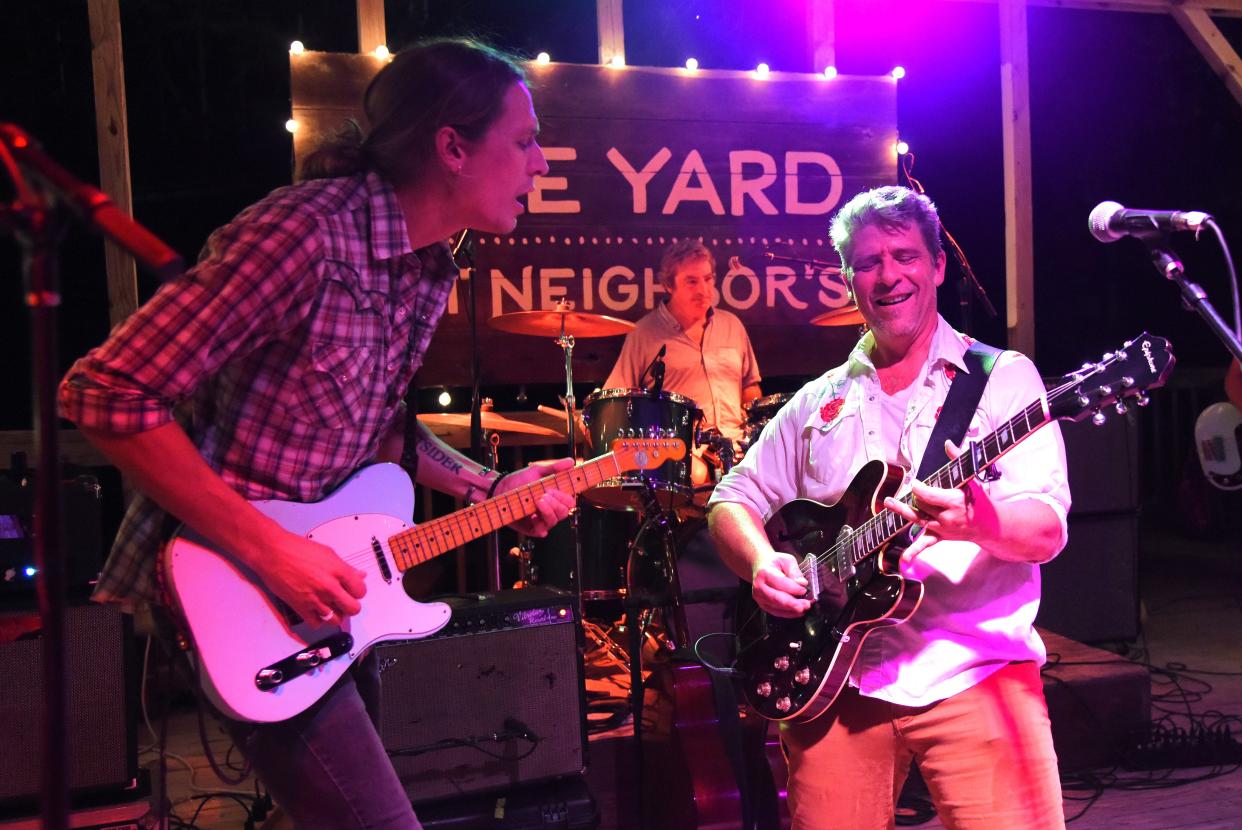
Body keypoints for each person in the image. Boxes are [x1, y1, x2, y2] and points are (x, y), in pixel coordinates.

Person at [58, 39, 574, 830]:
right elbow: (105, 391)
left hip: (326, 583)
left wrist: (488, 487)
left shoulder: (429, 266)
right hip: (231, 586)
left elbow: (380, 433)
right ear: (452, 148)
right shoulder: (304, 237)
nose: (542, 162)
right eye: (525, 139)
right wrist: (272, 550)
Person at [708, 185, 1071, 829]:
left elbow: (1045, 530)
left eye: (903, 255)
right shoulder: (819, 401)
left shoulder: (1003, 379)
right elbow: (731, 496)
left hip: (974, 670)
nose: (887, 275)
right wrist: (762, 563)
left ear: (936, 266)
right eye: (868, 261)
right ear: (850, 280)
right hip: (836, 684)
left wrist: (979, 522)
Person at [602, 239, 762, 643]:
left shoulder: (732, 326)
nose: (704, 289)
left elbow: (751, 390)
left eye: (708, 279)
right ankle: (687, 636)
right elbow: (618, 402)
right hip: (682, 463)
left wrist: (756, 433)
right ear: (667, 285)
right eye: (692, 280)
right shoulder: (645, 335)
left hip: (739, 456)